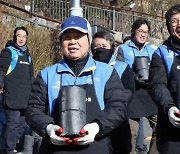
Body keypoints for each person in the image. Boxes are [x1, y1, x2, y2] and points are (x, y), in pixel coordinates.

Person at [25, 16, 131, 154]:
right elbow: (33, 111)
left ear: (89, 40)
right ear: (61, 42)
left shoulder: (106, 72)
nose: (73, 41)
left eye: (78, 36)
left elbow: (118, 107)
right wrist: (48, 128)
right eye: (67, 37)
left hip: (97, 148)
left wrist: (97, 127)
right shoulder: (47, 74)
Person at [116, 17, 158, 154]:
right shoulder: (122, 48)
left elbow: (159, 69)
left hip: (149, 94)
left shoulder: (154, 49)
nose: (143, 34)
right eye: (140, 31)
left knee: (161, 126)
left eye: (146, 32)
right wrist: (132, 75)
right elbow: (116, 69)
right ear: (134, 31)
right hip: (131, 94)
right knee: (131, 132)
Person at [91, 30, 134, 154]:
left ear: (111, 48)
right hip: (93, 121)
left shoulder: (122, 67)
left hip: (117, 121)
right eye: (96, 46)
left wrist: (112, 104)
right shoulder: (87, 68)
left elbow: (129, 91)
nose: (100, 50)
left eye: (104, 46)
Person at [148, 4, 180, 154]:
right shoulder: (161, 52)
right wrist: (169, 107)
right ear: (169, 26)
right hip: (171, 124)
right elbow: (157, 84)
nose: (179, 25)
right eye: (174, 21)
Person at [0, 26, 34, 154]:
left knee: (23, 124)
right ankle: (9, 150)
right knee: (12, 124)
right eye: (19, 36)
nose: (21, 39)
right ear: (14, 36)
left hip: (26, 97)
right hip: (12, 96)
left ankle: (7, 146)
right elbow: (1, 71)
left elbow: (31, 76)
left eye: (24, 36)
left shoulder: (28, 55)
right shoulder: (8, 52)